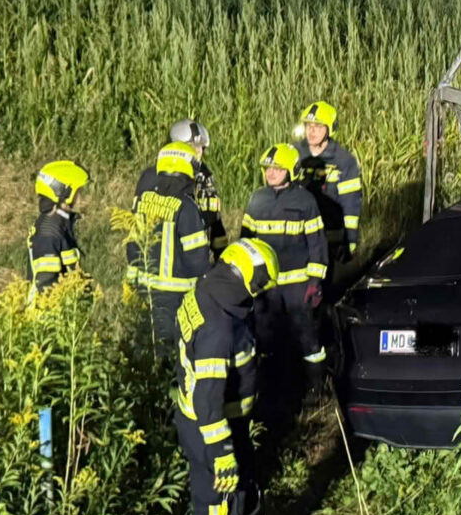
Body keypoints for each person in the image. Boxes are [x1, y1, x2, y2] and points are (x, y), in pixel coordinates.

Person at [171, 239, 282, 515]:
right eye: (260, 284)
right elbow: (208, 399)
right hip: (211, 429)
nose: (260, 293)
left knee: (247, 479)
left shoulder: (210, 289)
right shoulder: (218, 327)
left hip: (225, 422)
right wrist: (221, 452)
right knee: (215, 505)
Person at [241, 144, 329, 407]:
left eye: (278, 168)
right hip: (266, 287)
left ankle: (316, 390)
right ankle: (272, 390)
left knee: (306, 338)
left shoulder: (305, 201)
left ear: (292, 170)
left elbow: (317, 243)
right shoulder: (257, 200)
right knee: (266, 338)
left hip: (297, 286)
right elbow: (245, 242)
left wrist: (315, 283)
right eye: (268, 168)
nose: (271, 173)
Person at [125, 141, 213, 354]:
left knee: (144, 343)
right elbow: (198, 260)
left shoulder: (144, 200)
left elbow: (131, 244)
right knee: (170, 352)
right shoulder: (186, 207)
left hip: (142, 287)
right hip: (174, 294)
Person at [136, 120, 227, 252]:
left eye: (200, 146)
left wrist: (221, 257)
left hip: (194, 251)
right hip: (158, 251)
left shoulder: (205, 177)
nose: (198, 151)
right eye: (191, 146)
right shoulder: (156, 175)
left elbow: (215, 222)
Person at [295, 101, 363, 263]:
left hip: (329, 235)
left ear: (330, 128)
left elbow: (351, 205)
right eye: (308, 125)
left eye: (318, 126)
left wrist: (350, 242)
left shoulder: (344, 161)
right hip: (295, 235)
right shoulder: (293, 154)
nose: (312, 131)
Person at [27, 160, 91, 297]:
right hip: (47, 314)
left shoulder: (61, 223)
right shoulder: (50, 231)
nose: (81, 198)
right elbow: (46, 287)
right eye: (78, 192)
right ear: (63, 192)